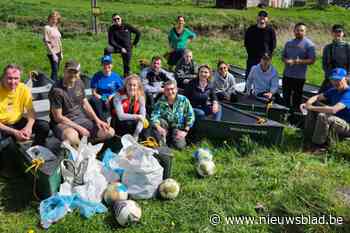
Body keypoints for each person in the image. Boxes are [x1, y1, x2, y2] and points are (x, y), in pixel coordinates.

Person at [49, 60, 115, 148]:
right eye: (70, 71)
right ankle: (77, 149)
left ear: (79, 73)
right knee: (71, 137)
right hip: (63, 123)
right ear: (64, 71)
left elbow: (85, 103)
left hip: (80, 118)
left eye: (75, 72)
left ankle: (85, 145)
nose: (72, 75)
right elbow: (58, 118)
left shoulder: (79, 83)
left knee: (109, 132)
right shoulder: (56, 91)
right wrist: (80, 128)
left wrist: (97, 120)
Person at [301, 68, 350, 152]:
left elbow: (333, 110)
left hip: (347, 126)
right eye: (333, 80)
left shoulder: (348, 93)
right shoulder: (334, 90)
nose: (336, 82)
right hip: (336, 121)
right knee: (313, 110)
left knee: (323, 116)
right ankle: (308, 139)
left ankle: (318, 146)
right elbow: (317, 97)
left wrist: (312, 107)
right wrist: (307, 104)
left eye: (338, 79)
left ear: (345, 78)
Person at [0, 64, 49, 146]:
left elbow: (31, 111)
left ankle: (35, 150)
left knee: (44, 126)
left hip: (17, 121)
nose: (13, 82)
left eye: (16, 78)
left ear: (20, 78)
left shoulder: (23, 89)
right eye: (9, 78)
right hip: (2, 126)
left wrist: (28, 128)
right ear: (3, 77)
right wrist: (15, 132)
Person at [282, 22, 316, 112]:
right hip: (287, 75)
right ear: (294, 31)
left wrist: (299, 61)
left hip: (299, 77)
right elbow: (283, 57)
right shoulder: (288, 43)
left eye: (302, 30)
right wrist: (286, 61)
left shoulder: (309, 45)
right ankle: (284, 115)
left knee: (296, 99)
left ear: (305, 32)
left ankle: (294, 117)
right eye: (297, 30)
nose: (299, 32)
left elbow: (312, 60)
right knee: (285, 96)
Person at [151, 80, 195, 149]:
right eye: (167, 90)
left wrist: (185, 131)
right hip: (165, 127)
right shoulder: (160, 102)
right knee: (161, 121)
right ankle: (163, 140)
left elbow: (191, 116)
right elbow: (154, 116)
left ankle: (172, 140)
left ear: (176, 89)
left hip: (178, 127)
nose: (170, 92)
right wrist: (158, 127)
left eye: (172, 89)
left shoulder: (183, 100)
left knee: (180, 147)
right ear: (164, 92)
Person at [90, 55, 124, 122]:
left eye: (108, 64)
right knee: (94, 101)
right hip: (101, 98)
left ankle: (118, 118)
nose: (106, 66)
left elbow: (121, 90)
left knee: (116, 100)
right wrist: (104, 98)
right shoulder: (97, 76)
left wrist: (112, 96)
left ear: (112, 65)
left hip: (113, 97)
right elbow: (93, 92)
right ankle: (103, 120)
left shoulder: (116, 76)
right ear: (101, 65)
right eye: (104, 64)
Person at [112, 74, 146, 141]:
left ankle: (139, 140)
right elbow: (120, 116)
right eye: (129, 85)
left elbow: (143, 115)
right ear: (126, 86)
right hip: (119, 121)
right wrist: (138, 116)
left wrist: (137, 132)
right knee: (129, 123)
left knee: (146, 123)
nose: (132, 87)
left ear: (138, 87)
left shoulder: (141, 97)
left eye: (134, 85)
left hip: (133, 120)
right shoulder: (118, 96)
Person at [244, 10, 276, 78]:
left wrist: (268, 55)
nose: (262, 18)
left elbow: (273, 45)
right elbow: (246, 43)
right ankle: (248, 88)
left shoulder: (271, 30)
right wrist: (250, 53)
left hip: (265, 59)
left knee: (264, 78)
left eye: (264, 17)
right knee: (249, 76)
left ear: (267, 19)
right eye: (260, 16)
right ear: (257, 18)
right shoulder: (251, 29)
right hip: (252, 58)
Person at [320, 24, 350, 93]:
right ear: (332, 33)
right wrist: (331, 78)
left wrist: (347, 77)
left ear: (343, 33)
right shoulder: (327, 48)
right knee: (319, 98)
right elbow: (324, 65)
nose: (337, 33)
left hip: (345, 79)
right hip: (331, 78)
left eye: (339, 31)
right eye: (335, 32)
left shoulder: (347, 47)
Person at [43, 11, 63, 82]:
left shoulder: (56, 27)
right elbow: (46, 41)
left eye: (56, 19)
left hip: (58, 52)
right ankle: (52, 85)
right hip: (52, 52)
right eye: (53, 19)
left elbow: (59, 41)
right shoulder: (47, 28)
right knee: (54, 70)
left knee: (56, 70)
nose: (54, 21)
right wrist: (53, 54)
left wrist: (61, 52)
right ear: (49, 18)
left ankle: (53, 83)